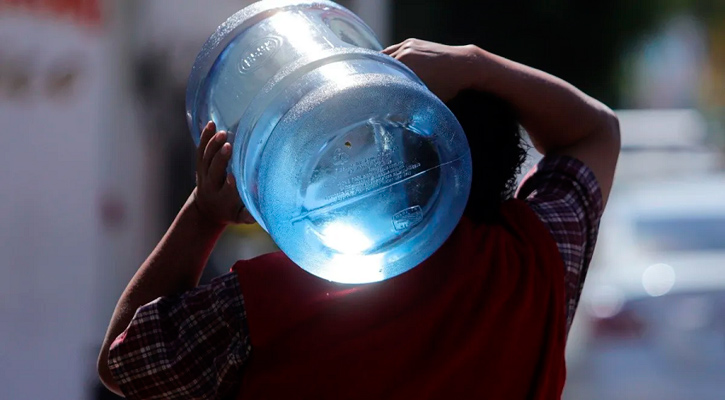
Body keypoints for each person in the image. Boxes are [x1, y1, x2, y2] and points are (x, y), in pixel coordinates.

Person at [98, 39, 620, 399]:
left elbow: (123, 364)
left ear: (385, 162)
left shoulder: (275, 299)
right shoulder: (535, 260)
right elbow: (595, 131)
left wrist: (202, 214)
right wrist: (477, 65)